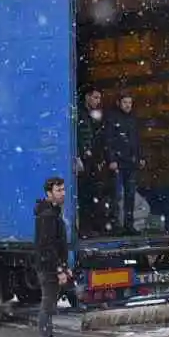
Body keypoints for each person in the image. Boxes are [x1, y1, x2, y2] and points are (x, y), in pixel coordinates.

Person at [33, 177, 73, 337]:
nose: (62, 193)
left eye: (63, 189)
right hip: (48, 269)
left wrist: (65, 267)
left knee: (49, 307)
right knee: (47, 308)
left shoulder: (53, 212)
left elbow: (57, 245)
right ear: (49, 193)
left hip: (52, 267)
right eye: (58, 190)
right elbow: (47, 247)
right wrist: (59, 269)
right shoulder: (47, 216)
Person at [103, 90, 144, 234]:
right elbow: (108, 140)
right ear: (119, 103)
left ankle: (128, 224)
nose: (128, 105)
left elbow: (137, 140)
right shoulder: (112, 118)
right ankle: (114, 225)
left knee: (130, 195)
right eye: (125, 102)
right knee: (116, 195)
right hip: (118, 163)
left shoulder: (133, 118)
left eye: (130, 103)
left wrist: (140, 157)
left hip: (131, 163)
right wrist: (112, 159)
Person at [75, 88, 110, 236]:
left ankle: (94, 227)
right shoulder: (80, 113)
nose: (98, 101)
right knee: (84, 194)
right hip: (85, 159)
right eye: (95, 97)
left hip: (93, 160)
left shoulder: (95, 115)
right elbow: (80, 135)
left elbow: (100, 137)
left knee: (94, 193)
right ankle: (85, 228)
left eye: (99, 98)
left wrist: (100, 157)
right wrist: (82, 153)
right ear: (87, 97)